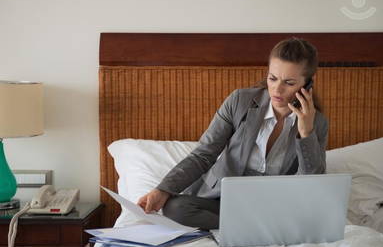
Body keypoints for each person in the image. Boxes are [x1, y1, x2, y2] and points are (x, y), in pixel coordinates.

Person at [137, 37, 328, 230]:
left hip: (273, 206)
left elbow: (310, 184)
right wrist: (163, 189)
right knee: (175, 208)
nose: (277, 89)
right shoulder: (239, 101)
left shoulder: (317, 123)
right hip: (223, 202)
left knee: (307, 218)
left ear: (307, 85)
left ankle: (252, 225)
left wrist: (306, 133)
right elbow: (204, 154)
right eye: (272, 78)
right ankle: (255, 227)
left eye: (289, 82)